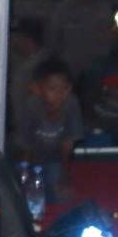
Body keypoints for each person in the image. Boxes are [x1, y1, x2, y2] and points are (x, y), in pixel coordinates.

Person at [11, 58, 83, 203]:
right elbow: (25, 146)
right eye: (52, 89)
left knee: (60, 191)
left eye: (64, 88)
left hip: (56, 159)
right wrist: (25, 176)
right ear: (37, 89)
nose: (59, 94)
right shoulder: (31, 106)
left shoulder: (71, 104)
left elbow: (67, 145)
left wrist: (64, 176)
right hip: (30, 158)